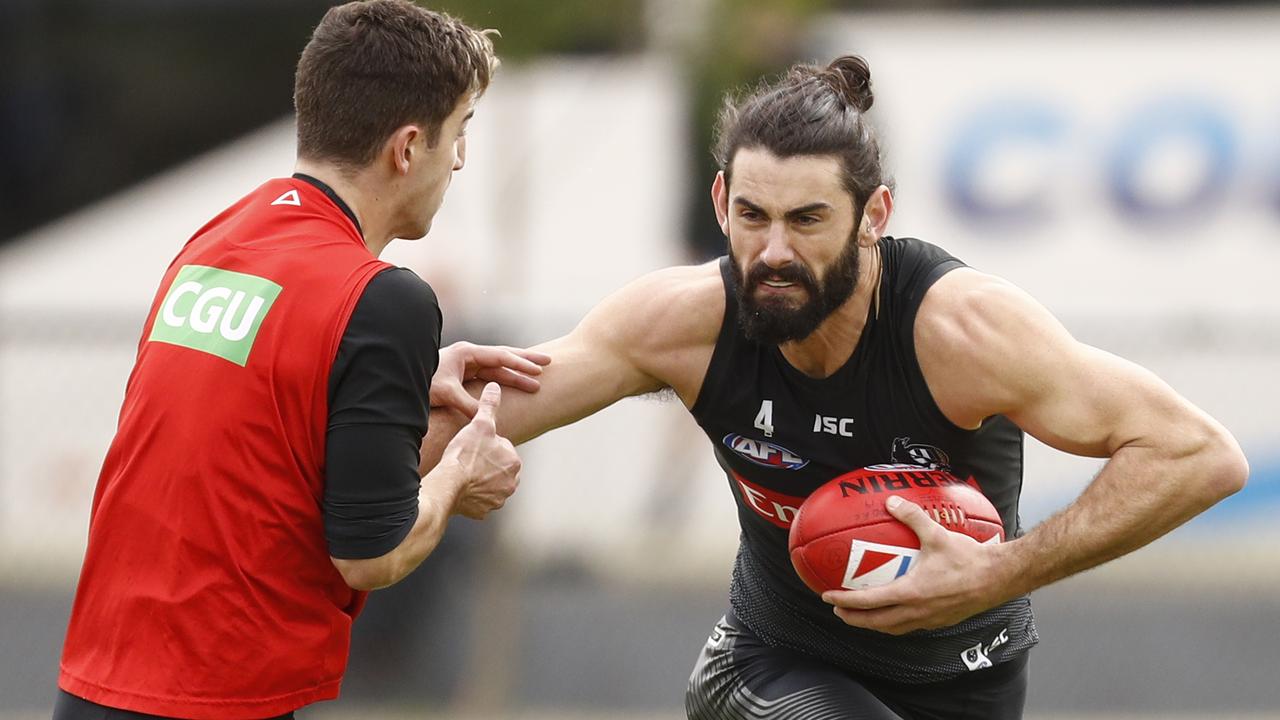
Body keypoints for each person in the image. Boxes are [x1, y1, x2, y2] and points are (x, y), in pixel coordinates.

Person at [422, 55, 1249, 719]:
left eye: (808, 220)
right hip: (769, 669)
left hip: (973, 677)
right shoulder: (678, 321)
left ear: (875, 214)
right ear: (719, 202)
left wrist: (1001, 573)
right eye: (753, 216)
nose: (773, 251)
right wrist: (425, 436)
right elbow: (454, 427)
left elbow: (1198, 455)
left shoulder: (964, 333)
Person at [53, 2, 549, 719]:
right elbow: (369, 556)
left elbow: (252, 398)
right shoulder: (383, 300)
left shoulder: (217, 239)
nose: (463, 158)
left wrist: (392, 375)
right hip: (213, 702)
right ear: (408, 148)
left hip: (93, 686)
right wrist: (456, 476)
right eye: (460, 132)